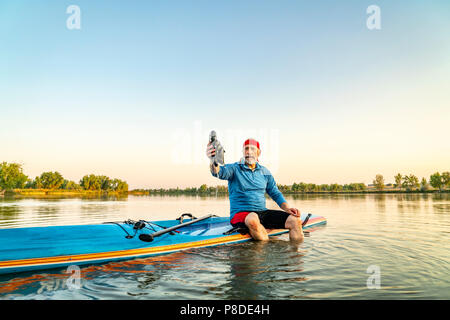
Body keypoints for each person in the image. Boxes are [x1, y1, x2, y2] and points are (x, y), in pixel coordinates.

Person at [206, 138, 304, 241]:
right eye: (246, 149)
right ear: (243, 152)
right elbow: (217, 172)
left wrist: (287, 209)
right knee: (253, 218)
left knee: (295, 220)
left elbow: (275, 193)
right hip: (240, 214)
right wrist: (213, 160)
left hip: (262, 212)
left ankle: (295, 254)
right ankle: (264, 254)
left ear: (258, 152)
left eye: (252, 149)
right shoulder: (234, 168)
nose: (249, 152)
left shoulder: (264, 171)